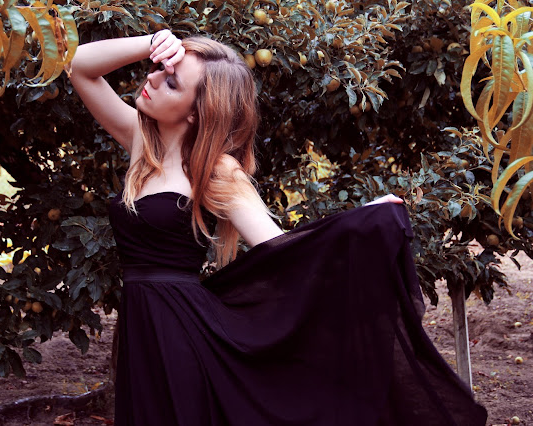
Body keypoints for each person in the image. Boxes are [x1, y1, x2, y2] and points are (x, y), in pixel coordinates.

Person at [69, 30, 487, 426]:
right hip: (142, 329)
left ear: (197, 112)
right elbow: (79, 67)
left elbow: (283, 251)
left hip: (180, 337)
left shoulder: (214, 169)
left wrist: (363, 220)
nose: (153, 79)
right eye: (160, 69)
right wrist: (152, 43)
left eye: (172, 82)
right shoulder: (143, 145)